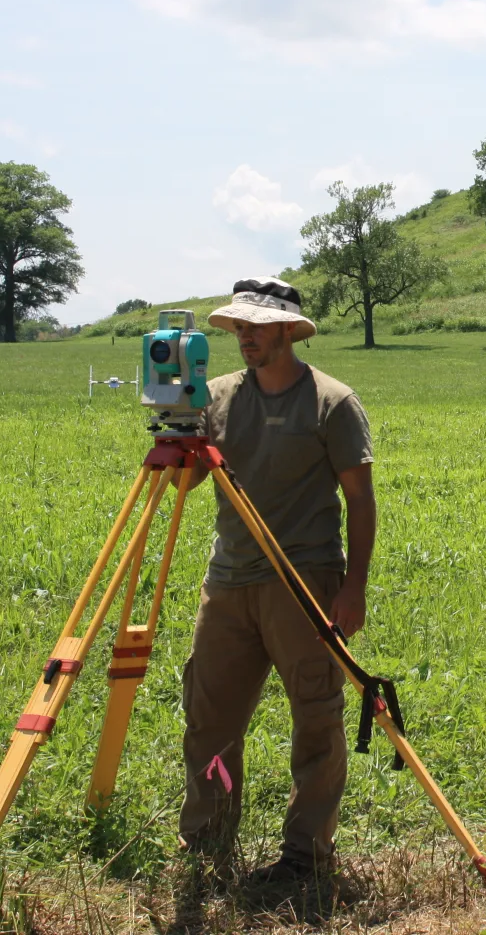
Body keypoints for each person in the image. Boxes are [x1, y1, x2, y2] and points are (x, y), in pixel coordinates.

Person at [177, 276, 375, 890]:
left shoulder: (332, 402)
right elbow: (184, 489)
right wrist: (176, 438)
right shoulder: (215, 397)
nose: (245, 335)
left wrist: (354, 587)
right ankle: (208, 840)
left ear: (290, 330)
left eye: (257, 325)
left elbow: (360, 500)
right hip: (229, 580)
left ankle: (305, 855)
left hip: (305, 582)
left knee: (315, 718)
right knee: (209, 719)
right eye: (239, 325)